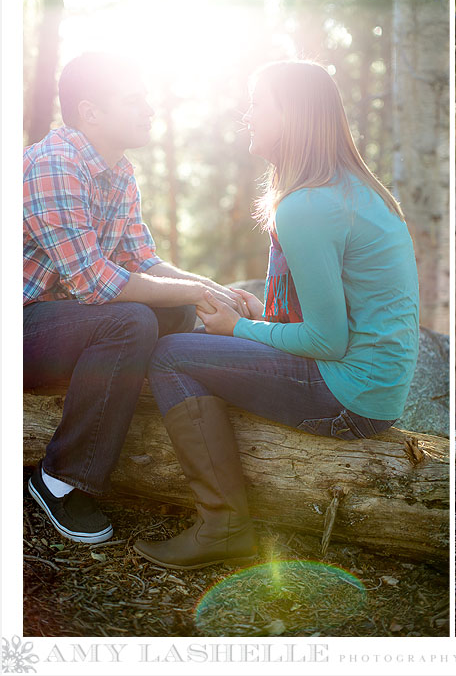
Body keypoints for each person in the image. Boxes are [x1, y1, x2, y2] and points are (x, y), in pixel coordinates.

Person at [132, 60, 420, 570]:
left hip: (348, 395)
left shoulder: (307, 206)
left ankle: (224, 527)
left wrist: (239, 328)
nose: (247, 115)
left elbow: (328, 342)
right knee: (201, 342)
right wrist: (261, 316)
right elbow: (340, 317)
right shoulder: (356, 192)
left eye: (257, 103)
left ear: (295, 116)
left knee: (173, 354)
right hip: (376, 388)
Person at [24, 52, 249, 545]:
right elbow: (94, 282)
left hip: (61, 325)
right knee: (129, 321)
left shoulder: (119, 171)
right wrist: (191, 290)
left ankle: (131, 398)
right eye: (134, 100)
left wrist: (210, 289)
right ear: (91, 112)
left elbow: (144, 261)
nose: (149, 108)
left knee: (175, 307)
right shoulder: (53, 164)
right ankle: (59, 478)